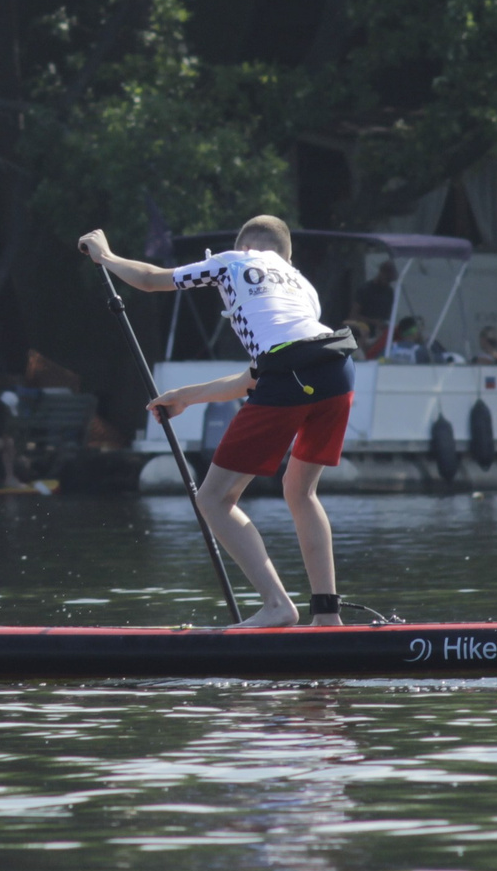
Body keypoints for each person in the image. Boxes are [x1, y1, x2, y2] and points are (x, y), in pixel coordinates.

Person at [80, 215, 352, 629]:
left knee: (213, 499)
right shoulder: (302, 286)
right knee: (301, 492)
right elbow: (256, 375)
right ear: (286, 256)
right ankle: (328, 616)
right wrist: (186, 396)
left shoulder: (233, 261)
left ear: (246, 246)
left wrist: (106, 256)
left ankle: (278, 606)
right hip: (337, 368)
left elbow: (153, 280)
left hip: (292, 374)